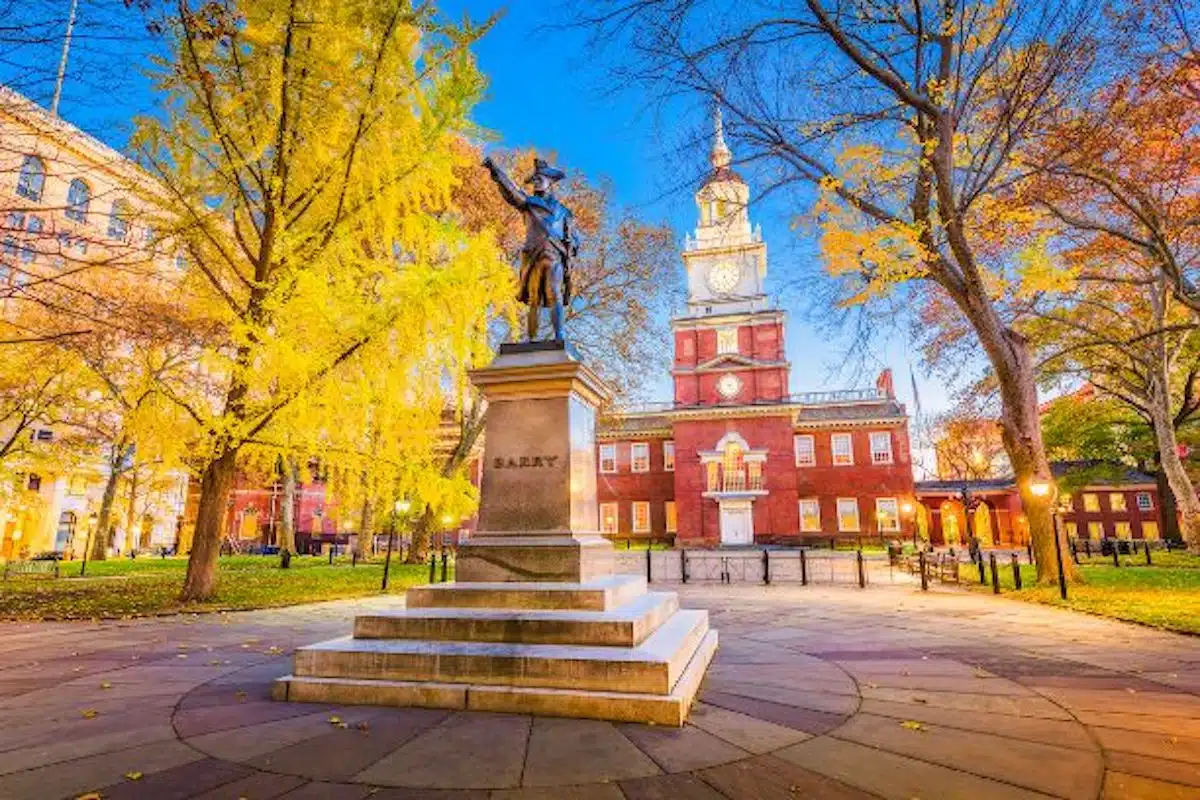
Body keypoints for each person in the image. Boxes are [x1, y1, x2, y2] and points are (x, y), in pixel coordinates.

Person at [482, 156, 579, 341]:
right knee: (534, 298)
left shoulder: (564, 212)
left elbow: (575, 238)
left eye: (539, 178)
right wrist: (495, 170)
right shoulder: (528, 203)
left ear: (550, 182)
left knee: (554, 294)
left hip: (554, 256)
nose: (535, 181)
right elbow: (511, 190)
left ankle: (560, 336)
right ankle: (531, 338)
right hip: (533, 257)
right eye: (533, 179)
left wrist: (572, 244)